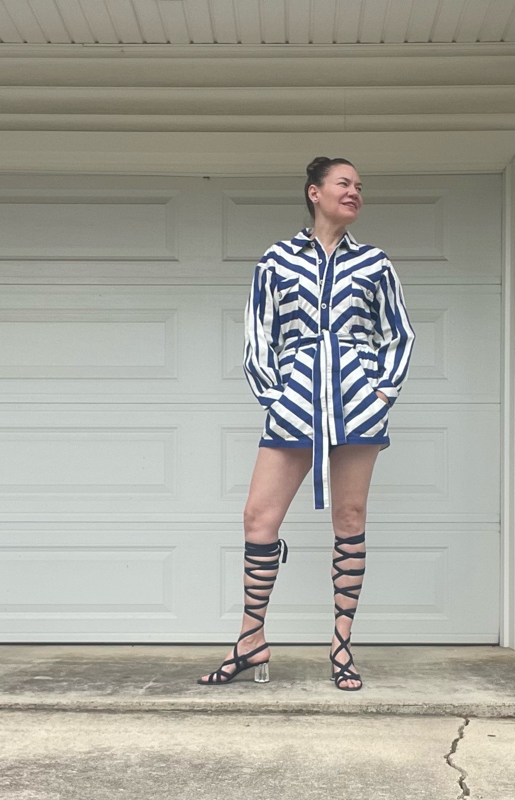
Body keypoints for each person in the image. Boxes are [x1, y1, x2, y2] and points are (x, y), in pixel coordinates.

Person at [198, 156, 415, 691]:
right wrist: (276, 394)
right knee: (258, 518)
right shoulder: (276, 260)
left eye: (360, 186)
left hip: (356, 401)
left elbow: (400, 334)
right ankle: (251, 640)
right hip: (295, 400)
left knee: (350, 515)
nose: (355, 192)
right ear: (314, 192)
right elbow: (258, 333)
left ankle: (341, 646)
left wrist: (380, 392)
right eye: (344, 183)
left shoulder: (375, 263)